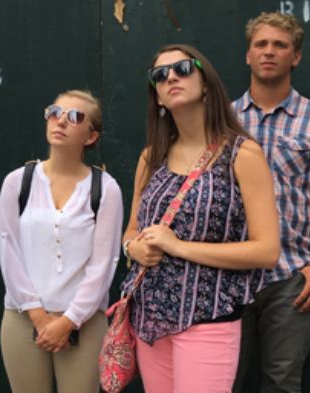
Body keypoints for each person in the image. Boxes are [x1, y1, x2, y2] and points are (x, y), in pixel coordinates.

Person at [120, 44, 281, 393]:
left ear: (205, 81)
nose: (171, 77)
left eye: (182, 68)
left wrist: (178, 247)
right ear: (158, 97)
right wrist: (133, 248)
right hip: (150, 319)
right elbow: (131, 231)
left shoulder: (242, 154)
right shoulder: (152, 157)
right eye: (159, 76)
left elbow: (267, 251)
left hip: (207, 317)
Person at [232, 12, 310, 393]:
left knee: (282, 384)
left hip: (292, 278)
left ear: (296, 56)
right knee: (221, 382)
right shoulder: (223, 120)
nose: (270, 52)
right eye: (261, 44)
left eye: (280, 45)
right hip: (229, 277)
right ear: (248, 55)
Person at [0, 90, 124, 393]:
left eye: (75, 117)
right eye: (55, 112)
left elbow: (104, 264)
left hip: (84, 323)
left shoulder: (105, 188)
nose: (61, 121)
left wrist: (69, 320)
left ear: (91, 136)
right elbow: (8, 250)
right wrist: (38, 316)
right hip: (22, 318)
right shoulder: (18, 181)